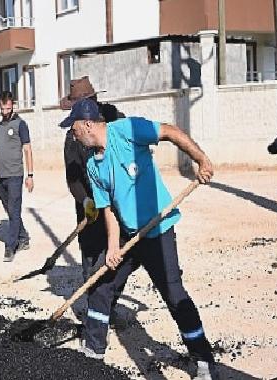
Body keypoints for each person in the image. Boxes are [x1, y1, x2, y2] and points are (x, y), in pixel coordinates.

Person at [64, 98, 216, 380]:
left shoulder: (127, 130)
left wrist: (200, 159)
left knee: (174, 295)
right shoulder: (93, 166)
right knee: (101, 283)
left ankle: (204, 360)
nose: (72, 135)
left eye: (73, 129)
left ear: (87, 124)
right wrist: (112, 247)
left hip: (158, 230)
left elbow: (169, 131)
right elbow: (107, 209)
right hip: (131, 235)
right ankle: (93, 352)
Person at [60, 76, 127, 330]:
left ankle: (109, 307)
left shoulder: (114, 118)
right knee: (91, 260)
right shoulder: (72, 138)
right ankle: (94, 314)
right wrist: (87, 200)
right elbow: (73, 178)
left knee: (118, 257)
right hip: (90, 209)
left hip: (116, 204)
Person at [0, 91, 34, 262]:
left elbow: (28, 149)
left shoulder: (20, 124)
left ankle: (11, 246)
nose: (5, 111)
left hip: (15, 175)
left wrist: (30, 175)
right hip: (2, 176)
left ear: (12, 105)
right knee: (10, 210)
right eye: (2, 108)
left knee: (14, 209)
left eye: (8, 108)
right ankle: (23, 238)